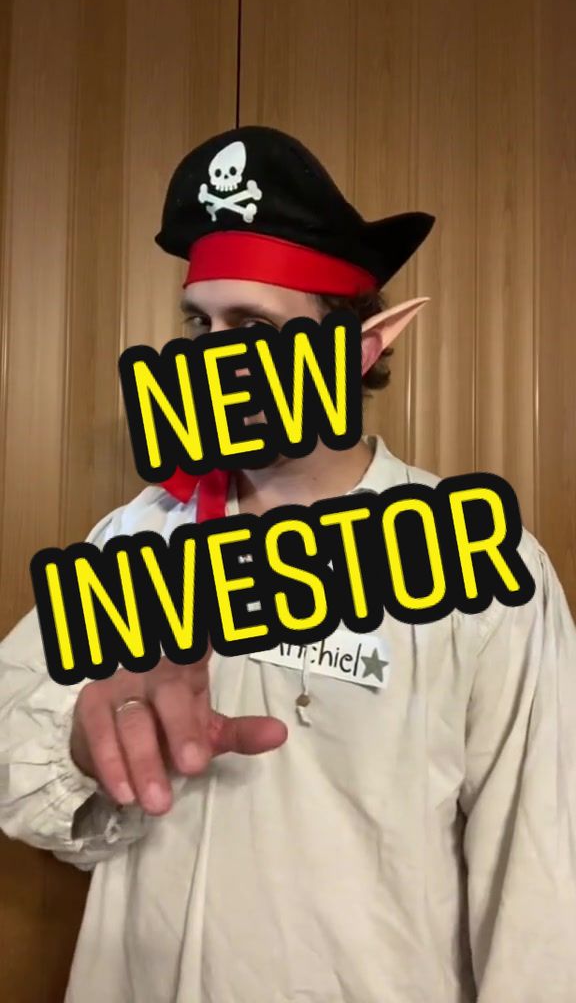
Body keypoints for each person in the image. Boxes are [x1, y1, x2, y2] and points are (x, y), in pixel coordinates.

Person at [0, 126, 575, 1003]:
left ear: (359, 347)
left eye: (253, 326)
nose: (210, 358)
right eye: (199, 323)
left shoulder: (485, 565)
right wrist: (85, 747)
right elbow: (15, 756)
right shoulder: (137, 537)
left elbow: (540, 879)